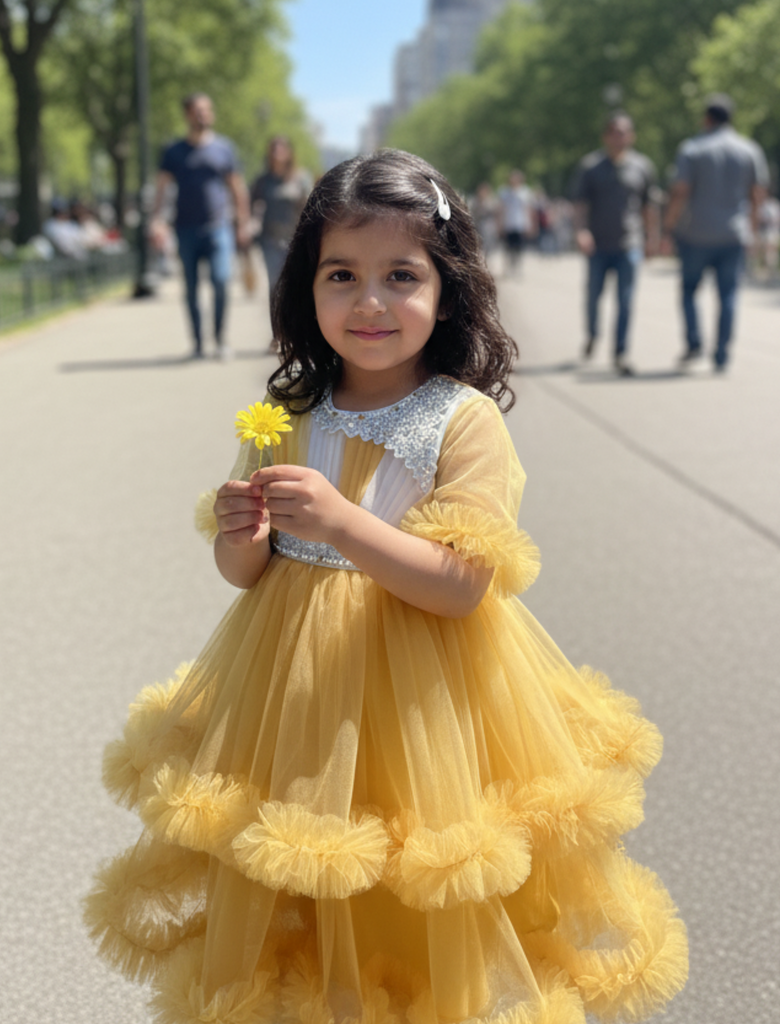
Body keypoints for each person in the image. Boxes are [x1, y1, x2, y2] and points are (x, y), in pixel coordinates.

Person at [84, 149, 688, 1022]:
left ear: (446, 291)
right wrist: (240, 536)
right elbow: (247, 577)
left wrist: (339, 523)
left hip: (424, 699)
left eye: (400, 276)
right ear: (307, 289)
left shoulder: (462, 421)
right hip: (297, 696)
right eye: (342, 275)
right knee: (310, 876)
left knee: (415, 879)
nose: (369, 302)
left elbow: (461, 585)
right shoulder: (283, 418)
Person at [663, 94, 769, 372]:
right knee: (729, 295)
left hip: (696, 233)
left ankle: (694, 342)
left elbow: (681, 190)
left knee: (688, 291)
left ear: (706, 118)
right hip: (733, 234)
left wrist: (669, 225)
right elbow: (758, 194)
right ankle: (721, 353)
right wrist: (754, 231)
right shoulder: (749, 150)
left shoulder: (692, 149)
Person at [152, 93, 251, 359]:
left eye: (207, 110)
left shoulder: (224, 148)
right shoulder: (174, 151)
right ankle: (197, 344)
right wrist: (157, 220)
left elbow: (237, 188)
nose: (203, 114)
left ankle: (220, 340)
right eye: (197, 110)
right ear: (187, 115)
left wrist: (243, 223)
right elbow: (161, 188)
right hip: (185, 229)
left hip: (218, 227)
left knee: (220, 280)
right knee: (191, 288)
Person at [572, 112, 659, 376]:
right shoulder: (590, 167)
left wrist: (652, 238)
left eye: (624, 132)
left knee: (625, 300)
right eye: (614, 132)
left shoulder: (643, 167)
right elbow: (579, 205)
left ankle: (620, 352)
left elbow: (649, 207)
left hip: (629, 244)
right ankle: (592, 334)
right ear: (606, 136)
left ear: (631, 136)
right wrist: (581, 231)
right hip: (598, 245)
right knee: (593, 297)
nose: (619, 137)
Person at [250, 136, 313, 294]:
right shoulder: (263, 181)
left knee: (295, 285)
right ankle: (276, 318)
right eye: (274, 149)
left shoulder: (301, 178)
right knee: (275, 284)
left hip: (295, 240)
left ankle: (292, 318)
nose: (277, 153)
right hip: (270, 240)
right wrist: (249, 224)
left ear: (289, 153)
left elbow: (311, 207)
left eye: (281, 149)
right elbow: (251, 204)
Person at [496, 169, 536, 276]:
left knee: (519, 248)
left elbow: (529, 209)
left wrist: (531, 225)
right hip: (508, 224)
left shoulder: (525, 192)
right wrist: (499, 224)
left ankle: (518, 268)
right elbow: (501, 209)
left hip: (520, 224)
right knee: (508, 248)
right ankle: (508, 268)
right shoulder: (504, 192)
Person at [751, 192, 780, 283]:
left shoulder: (774, 205)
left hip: (771, 232)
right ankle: (756, 274)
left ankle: (772, 274)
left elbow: (779, 220)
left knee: (771, 255)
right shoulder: (758, 204)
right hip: (760, 232)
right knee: (756, 255)